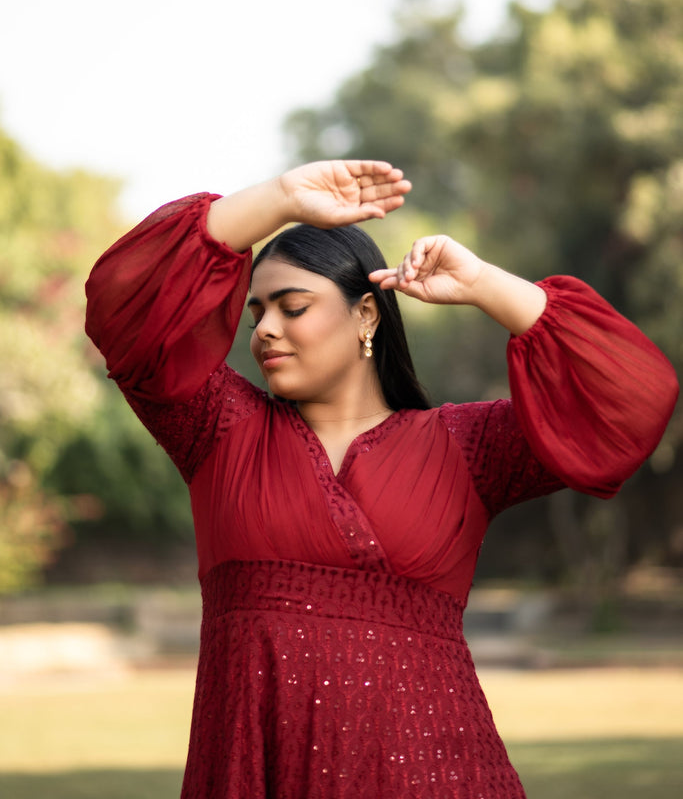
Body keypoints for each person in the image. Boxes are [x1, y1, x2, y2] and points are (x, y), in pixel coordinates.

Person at [85, 159, 678, 799]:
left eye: (292, 307)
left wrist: (483, 283)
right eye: (257, 312)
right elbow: (128, 313)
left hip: (440, 775)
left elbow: (631, 402)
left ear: (366, 315)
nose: (265, 331)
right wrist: (280, 197)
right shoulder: (219, 431)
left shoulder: (466, 448)